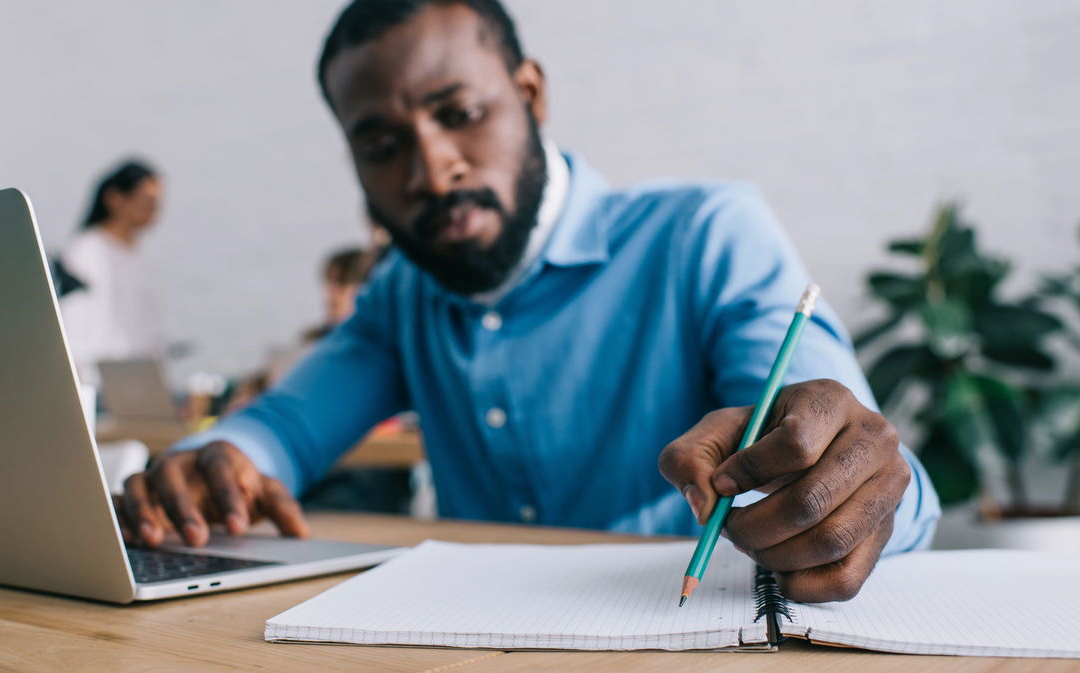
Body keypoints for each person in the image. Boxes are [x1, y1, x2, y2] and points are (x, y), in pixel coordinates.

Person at [118, 0, 941, 603]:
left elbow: (857, 452)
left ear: (532, 94)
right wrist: (216, 462)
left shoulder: (705, 234)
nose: (431, 170)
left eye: (461, 114)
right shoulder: (402, 295)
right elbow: (284, 428)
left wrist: (856, 480)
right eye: (381, 145)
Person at [58, 159, 166, 386]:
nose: (154, 212)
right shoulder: (85, 250)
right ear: (115, 199)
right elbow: (72, 319)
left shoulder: (141, 256)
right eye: (147, 202)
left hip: (138, 385)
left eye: (157, 204)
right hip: (97, 383)